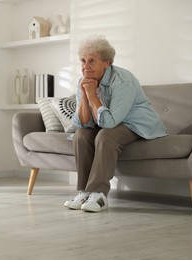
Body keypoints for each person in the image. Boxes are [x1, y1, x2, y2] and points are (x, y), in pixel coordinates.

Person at [65, 35, 168, 212]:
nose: (85, 66)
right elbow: (83, 123)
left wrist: (91, 96)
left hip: (137, 124)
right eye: (83, 60)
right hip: (110, 122)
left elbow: (110, 123)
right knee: (81, 135)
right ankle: (83, 191)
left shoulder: (122, 80)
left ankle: (99, 195)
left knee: (106, 136)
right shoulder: (84, 81)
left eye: (91, 61)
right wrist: (84, 95)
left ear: (107, 62)